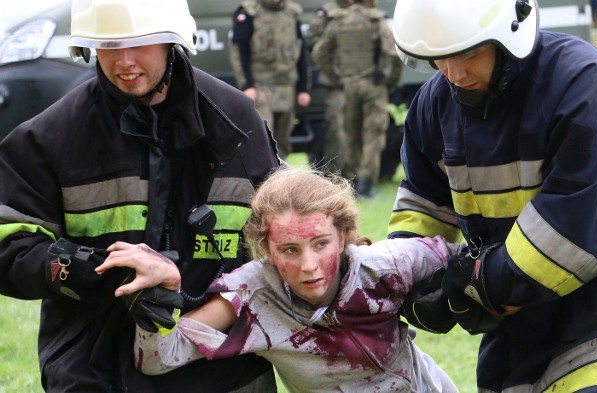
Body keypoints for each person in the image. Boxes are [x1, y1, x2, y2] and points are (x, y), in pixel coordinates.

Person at [0, 0, 282, 392]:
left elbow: (286, 228)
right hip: (95, 366)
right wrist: (93, 270)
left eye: (142, 44)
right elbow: (9, 243)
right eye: (109, 46)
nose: (125, 62)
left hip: (222, 364)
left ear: (173, 41)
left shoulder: (235, 123)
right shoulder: (52, 137)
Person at [389, 0, 597, 391]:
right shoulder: (433, 105)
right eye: (440, 59)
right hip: (515, 331)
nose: (454, 74)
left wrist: (468, 283)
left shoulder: (581, 83)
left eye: (468, 53)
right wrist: (401, 275)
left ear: (510, 31)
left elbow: (573, 239)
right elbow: (423, 208)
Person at [120, 166, 461, 392]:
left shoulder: (386, 266)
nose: (309, 266)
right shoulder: (253, 295)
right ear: (265, 247)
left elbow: (473, 263)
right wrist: (161, 297)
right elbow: (159, 357)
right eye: (290, 250)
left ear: (342, 236)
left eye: (321, 244)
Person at [311, 0, 403, 198]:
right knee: (373, 136)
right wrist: (390, 81)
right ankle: (366, 185)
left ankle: (351, 182)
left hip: (347, 87)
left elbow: (319, 52)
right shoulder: (376, 21)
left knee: (350, 135)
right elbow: (394, 54)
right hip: (373, 86)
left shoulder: (339, 22)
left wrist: (336, 78)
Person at [230, 0, 312, 159]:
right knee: (264, 138)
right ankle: (263, 180)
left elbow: (301, 52)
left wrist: (303, 89)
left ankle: (280, 180)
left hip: (286, 86)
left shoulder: (291, 12)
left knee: (282, 141)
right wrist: (247, 85)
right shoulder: (249, 12)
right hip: (261, 87)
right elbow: (239, 50)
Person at [305, 0, 352, 174]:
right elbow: (313, 42)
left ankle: (357, 178)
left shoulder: (363, 9)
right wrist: (332, 72)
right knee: (337, 133)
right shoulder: (326, 12)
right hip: (337, 85)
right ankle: (334, 176)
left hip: (359, 80)